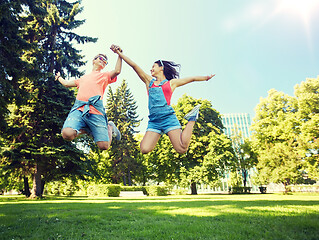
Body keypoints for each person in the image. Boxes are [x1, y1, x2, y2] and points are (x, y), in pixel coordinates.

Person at [111, 45, 215, 154]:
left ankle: (192, 118)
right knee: (144, 149)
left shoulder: (171, 83)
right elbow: (134, 65)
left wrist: (206, 78)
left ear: (161, 68)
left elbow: (192, 79)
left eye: (153, 66)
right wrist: (120, 54)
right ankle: (159, 133)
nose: (151, 69)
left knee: (182, 149)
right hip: (154, 121)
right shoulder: (149, 81)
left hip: (168, 118)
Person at [55, 45, 122, 150]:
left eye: (105, 61)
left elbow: (117, 71)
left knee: (104, 146)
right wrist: (59, 77)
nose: (103, 61)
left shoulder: (104, 76)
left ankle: (109, 127)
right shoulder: (82, 78)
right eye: (101, 58)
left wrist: (119, 55)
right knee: (67, 134)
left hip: (96, 111)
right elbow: (67, 84)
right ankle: (86, 129)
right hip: (79, 109)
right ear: (94, 60)